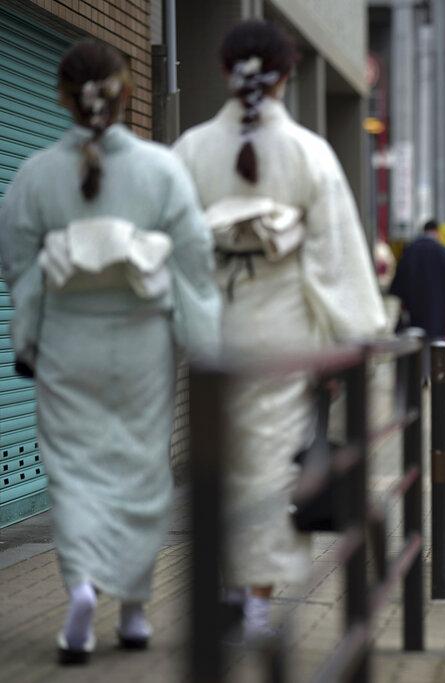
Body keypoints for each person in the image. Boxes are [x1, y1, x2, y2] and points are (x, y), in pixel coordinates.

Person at [0, 41, 220, 663]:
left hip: (68, 339)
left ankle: (80, 589)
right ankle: (131, 609)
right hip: (141, 338)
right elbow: (193, 261)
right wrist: (203, 344)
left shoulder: (38, 173)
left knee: (72, 469)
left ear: (64, 99)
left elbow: (16, 260)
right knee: (139, 468)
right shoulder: (160, 169)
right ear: (126, 95)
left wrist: (29, 330)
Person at [173, 20, 386, 640]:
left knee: (220, 462)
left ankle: (227, 586)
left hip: (216, 331)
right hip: (284, 333)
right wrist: (348, 342)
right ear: (286, 76)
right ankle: (257, 602)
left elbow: (179, 253)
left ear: (224, 72)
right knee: (271, 466)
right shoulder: (308, 154)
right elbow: (333, 260)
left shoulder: (190, 151)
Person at [390, 219, 445, 339]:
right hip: (438, 312)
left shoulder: (409, 251)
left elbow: (398, 282)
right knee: (437, 347)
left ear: (424, 231)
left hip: (414, 311)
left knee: (416, 342)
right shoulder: (444, 252)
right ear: (437, 232)